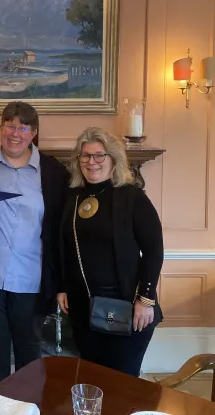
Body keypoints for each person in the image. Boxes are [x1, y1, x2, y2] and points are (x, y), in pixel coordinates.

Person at [0, 101, 69, 387]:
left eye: (23, 127)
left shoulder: (53, 172)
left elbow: (62, 229)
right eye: (10, 125)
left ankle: (28, 405)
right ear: (1, 128)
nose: (16, 133)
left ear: (33, 132)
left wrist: (62, 280)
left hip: (32, 277)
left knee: (29, 348)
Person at [56, 126, 164, 377]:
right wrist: (62, 286)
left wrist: (145, 300)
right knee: (92, 378)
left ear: (113, 159)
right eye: (85, 156)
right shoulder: (73, 197)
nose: (91, 162)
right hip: (84, 310)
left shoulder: (132, 197)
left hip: (126, 307)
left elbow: (154, 249)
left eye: (99, 155)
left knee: (122, 383)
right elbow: (64, 246)